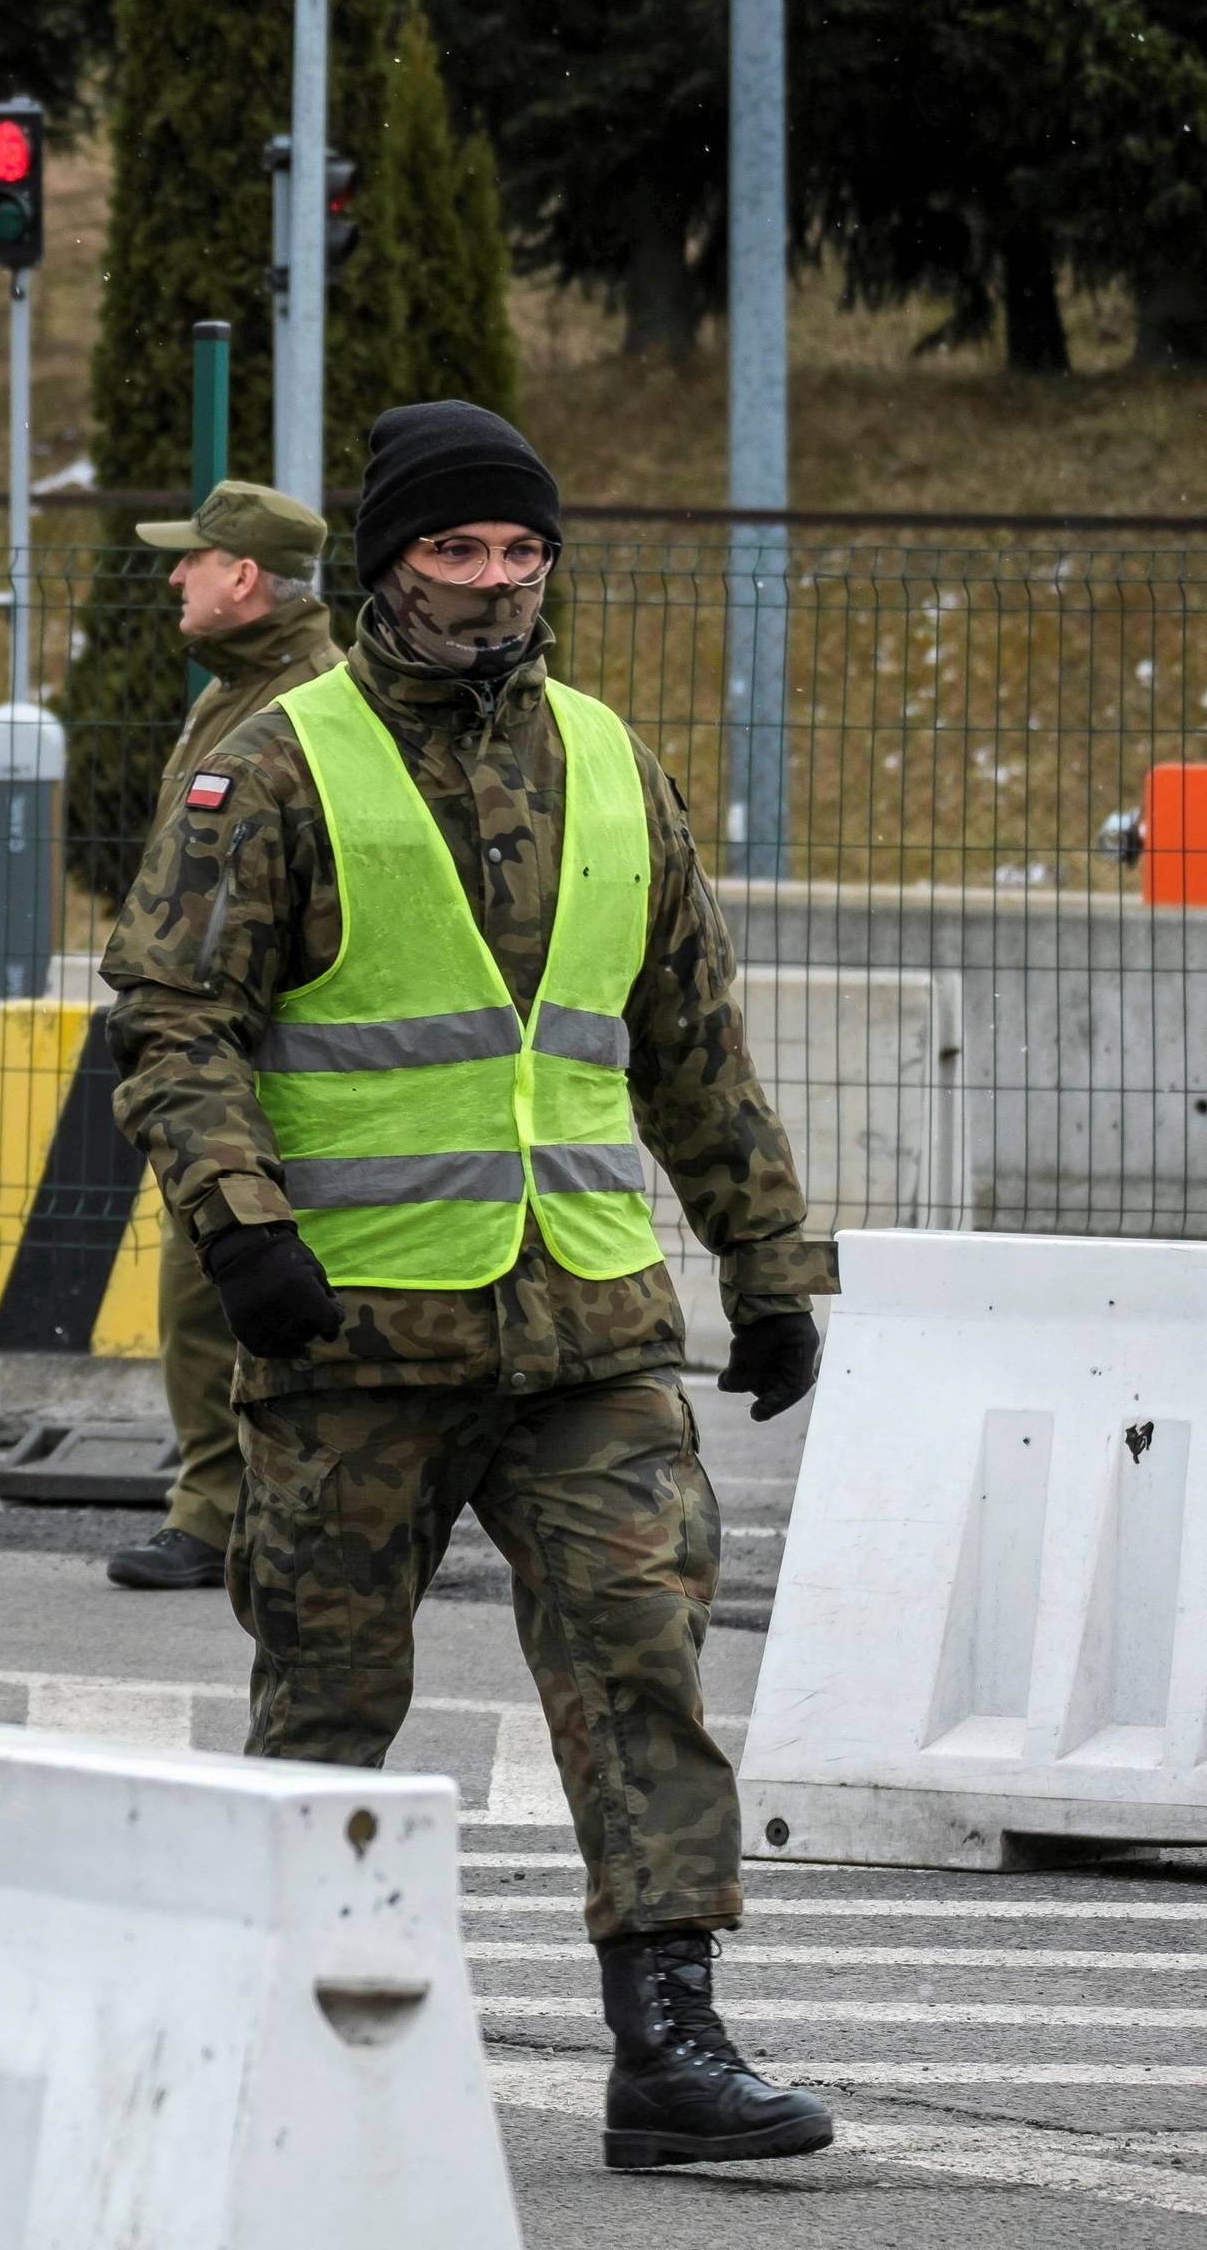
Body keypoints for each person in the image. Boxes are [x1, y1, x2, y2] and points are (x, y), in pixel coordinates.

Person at [102, 399, 840, 2171]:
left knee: (641, 1650)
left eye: (521, 553)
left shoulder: (610, 756)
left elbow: (689, 1038)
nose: (496, 585)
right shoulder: (279, 761)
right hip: (352, 1323)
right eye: (458, 550)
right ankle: (284, 2026)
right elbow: (176, 1017)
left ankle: (670, 2034)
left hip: (587, 1319)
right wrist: (243, 1226)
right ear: (386, 562)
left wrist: (770, 1258)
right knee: (328, 1690)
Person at [105, 480, 343, 1594]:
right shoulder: (242, 693)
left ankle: (231, 1513)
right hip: (217, 1040)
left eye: (192, 560)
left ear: (243, 577)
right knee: (205, 1281)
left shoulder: (303, 705)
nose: (173, 578)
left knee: (217, 1285)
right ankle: (222, 1505)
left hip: (267, 1050)